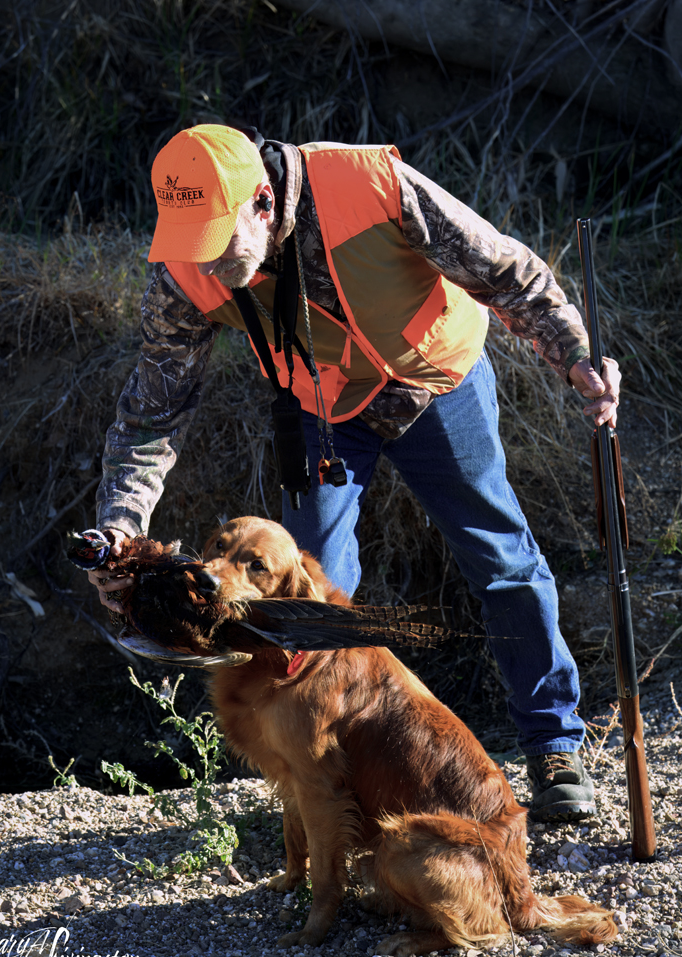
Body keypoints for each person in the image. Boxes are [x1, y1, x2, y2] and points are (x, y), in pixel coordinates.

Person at [88, 124, 621, 823]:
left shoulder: (370, 185)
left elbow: (505, 271)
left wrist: (574, 353)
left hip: (437, 383)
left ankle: (553, 741)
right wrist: (120, 532)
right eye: (192, 246)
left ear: (260, 204)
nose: (206, 266)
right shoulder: (184, 265)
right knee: (303, 598)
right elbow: (153, 414)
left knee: (500, 559)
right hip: (325, 411)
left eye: (219, 246)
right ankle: (321, 781)